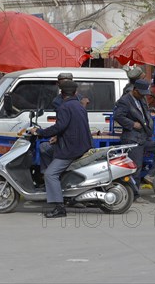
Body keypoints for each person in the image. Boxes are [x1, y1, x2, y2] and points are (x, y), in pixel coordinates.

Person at [32, 81, 92, 218]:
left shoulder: (64, 107)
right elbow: (71, 127)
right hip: (79, 143)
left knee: (50, 174)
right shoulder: (79, 105)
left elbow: (59, 127)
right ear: (75, 93)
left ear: (61, 93)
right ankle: (52, 186)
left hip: (71, 148)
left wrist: (40, 132)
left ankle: (59, 207)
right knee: (44, 148)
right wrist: (57, 137)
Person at [114, 79, 155, 199]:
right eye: (141, 92)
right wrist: (132, 124)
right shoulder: (124, 101)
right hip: (132, 138)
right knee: (136, 167)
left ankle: (151, 175)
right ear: (135, 90)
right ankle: (134, 195)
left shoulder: (141, 99)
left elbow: (145, 113)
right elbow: (118, 116)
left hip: (143, 136)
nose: (143, 95)